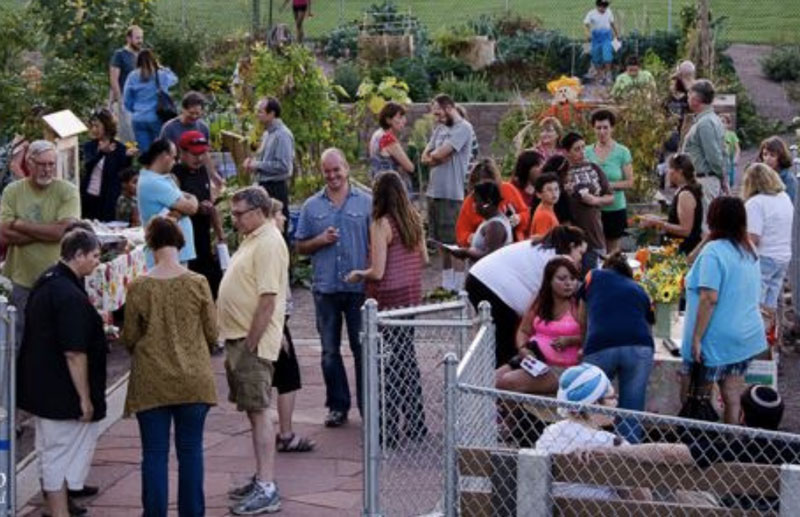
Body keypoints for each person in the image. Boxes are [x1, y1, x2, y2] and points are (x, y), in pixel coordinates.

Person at [121, 216, 217, 517]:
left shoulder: (139, 286)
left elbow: (130, 337)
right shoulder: (198, 283)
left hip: (151, 379)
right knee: (190, 451)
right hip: (194, 378)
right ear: (179, 242)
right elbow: (213, 334)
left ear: (151, 245)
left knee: (154, 454)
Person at [17, 228, 106, 517]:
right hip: (61, 391)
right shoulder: (68, 294)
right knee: (58, 454)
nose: (97, 262)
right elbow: (74, 353)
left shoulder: (47, 279)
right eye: (94, 256)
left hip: (42, 385)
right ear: (78, 255)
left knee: (48, 450)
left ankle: (57, 507)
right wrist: (85, 398)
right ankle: (58, 512)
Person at [218, 186, 288, 514]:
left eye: (239, 213)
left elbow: (268, 299)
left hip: (253, 342)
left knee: (259, 411)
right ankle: (262, 478)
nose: (234, 220)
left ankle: (268, 486)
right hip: (242, 338)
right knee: (252, 409)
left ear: (258, 211)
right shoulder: (254, 237)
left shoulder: (270, 242)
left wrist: (250, 344)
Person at [346, 170, 428, 446]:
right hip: (411, 297)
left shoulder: (381, 224)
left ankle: (388, 430)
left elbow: (378, 271)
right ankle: (416, 424)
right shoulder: (414, 220)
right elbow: (425, 258)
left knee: (388, 366)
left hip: (388, 300)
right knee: (407, 359)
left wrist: (359, 273)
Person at [295, 148, 371, 427]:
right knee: (329, 351)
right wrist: (320, 240)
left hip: (358, 289)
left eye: (336, 169)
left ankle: (368, 407)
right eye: (327, 171)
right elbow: (300, 246)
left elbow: (377, 245)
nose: (332, 175)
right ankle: (338, 406)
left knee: (362, 350)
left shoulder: (367, 203)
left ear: (347, 168)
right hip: (325, 288)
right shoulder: (311, 206)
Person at [682, 196, 767, 424]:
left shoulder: (714, 252)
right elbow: (692, 260)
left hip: (716, 336)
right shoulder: (748, 248)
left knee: (699, 395)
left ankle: (702, 446)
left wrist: (697, 338)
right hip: (745, 333)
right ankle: (730, 445)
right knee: (731, 395)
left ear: (713, 219)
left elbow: (709, 298)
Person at [466, 225, 588, 366]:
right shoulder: (554, 259)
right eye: (580, 253)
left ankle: (498, 372)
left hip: (482, 278)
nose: (580, 259)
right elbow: (541, 298)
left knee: (502, 334)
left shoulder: (543, 249)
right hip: (491, 284)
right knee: (505, 337)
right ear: (571, 246)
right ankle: (499, 376)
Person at [0, 140, 80, 350]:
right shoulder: (13, 191)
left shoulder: (67, 191)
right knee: (22, 340)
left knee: (58, 341)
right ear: (29, 163)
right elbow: (4, 235)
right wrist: (49, 230)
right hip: (22, 279)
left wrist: (19, 223)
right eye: (42, 164)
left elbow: (63, 232)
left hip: (58, 280)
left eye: (51, 164)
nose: (48, 170)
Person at [580, 252, 655, 442]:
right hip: (640, 346)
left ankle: (582, 443)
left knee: (587, 398)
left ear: (607, 266)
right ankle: (628, 458)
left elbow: (583, 316)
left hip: (601, 343)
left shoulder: (593, 276)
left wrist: (584, 344)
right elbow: (649, 325)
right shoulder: (640, 290)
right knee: (631, 408)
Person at [535, 364, 624, 500]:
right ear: (595, 404)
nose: (616, 402)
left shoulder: (549, 434)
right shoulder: (611, 442)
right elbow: (644, 501)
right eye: (612, 397)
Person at [268, 199, 315, 453]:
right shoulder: (272, 245)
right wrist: (277, 328)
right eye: (280, 214)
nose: (284, 219)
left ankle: (277, 430)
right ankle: (284, 434)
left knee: (279, 377)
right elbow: (269, 291)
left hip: (275, 319)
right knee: (287, 378)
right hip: (274, 321)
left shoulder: (268, 243)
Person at [496, 257, 581, 394]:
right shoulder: (540, 300)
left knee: (508, 381)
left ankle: (512, 414)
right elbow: (523, 331)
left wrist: (570, 340)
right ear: (549, 281)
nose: (568, 284)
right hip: (534, 361)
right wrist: (523, 349)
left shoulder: (579, 304)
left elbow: (592, 336)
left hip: (563, 368)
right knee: (492, 378)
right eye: (562, 279)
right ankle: (505, 413)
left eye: (573, 278)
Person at [422, 94, 474, 292]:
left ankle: (459, 287)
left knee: (454, 243)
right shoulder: (440, 129)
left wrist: (436, 155)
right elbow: (425, 156)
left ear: (449, 107)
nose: (437, 118)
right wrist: (435, 157)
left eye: (439, 113)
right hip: (434, 192)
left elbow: (441, 153)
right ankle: (446, 284)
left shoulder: (464, 128)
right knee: (441, 243)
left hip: (452, 194)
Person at [742, 163, 794, 333]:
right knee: (771, 305)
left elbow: (753, 237)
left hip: (764, 257)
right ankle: (769, 342)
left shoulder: (756, 203)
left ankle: (754, 342)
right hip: (783, 256)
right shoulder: (784, 198)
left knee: (755, 305)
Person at [173, 131, 225, 298]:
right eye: (194, 154)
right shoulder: (175, 174)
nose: (199, 158)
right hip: (185, 242)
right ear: (182, 152)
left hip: (204, 240)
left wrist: (220, 234)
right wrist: (195, 208)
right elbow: (172, 210)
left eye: (202, 153)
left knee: (214, 286)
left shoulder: (202, 170)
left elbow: (210, 201)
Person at [137, 139, 197, 268]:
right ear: (165, 156)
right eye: (174, 157)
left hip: (174, 251)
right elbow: (191, 208)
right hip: (168, 253)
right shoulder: (154, 182)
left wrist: (181, 207)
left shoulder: (159, 178)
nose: (175, 162)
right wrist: (193, 198)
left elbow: (184, 202)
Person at [562, 131, 614, 272]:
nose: (582, 152)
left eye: (583, 147)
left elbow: (610, 197)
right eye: (577, 149)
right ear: (566, 152)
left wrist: (595, 200)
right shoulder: (562, 173)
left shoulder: (594, 168)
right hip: (572, 238)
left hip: (594, 232)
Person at [244, 96, 294, 239]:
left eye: (260, 111)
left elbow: (284, 167)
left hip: (276, 188)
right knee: (265, 232)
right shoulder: (268, 134)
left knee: (277, 233)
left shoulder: (282, 135)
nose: (257, 115)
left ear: (271, 114)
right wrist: (254, 163)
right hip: (265, 187)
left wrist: (257, 165)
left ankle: (283, 261)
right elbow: (267, 162)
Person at [585, 109, 633, 253]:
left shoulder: (622, 152)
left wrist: (607, 185)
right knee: (594, 249)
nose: (602, 131)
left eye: (605, 127)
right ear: (593, 128)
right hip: (592, 209)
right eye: (598, 128)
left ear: (612, 128)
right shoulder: (586, 151)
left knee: (613, 251)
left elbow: (630, 182)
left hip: (615, 207)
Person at [455, 157, 529, 247]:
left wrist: (519, 218)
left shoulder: (508, 190)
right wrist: (469, 238)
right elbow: (461, 233)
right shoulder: (470, 201)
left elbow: (526, 214)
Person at [681, 79, 727, 221]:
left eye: (689, 96)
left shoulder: (706, 123)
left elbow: (714, 156)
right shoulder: (708, 119)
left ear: (696, 99)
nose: (687, 99)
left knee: (703, 226)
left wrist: (722, 179)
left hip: (704, 181)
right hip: (703, 180)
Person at [639, 154, 703, 255]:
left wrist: (658, 224)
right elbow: (676, 220)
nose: (668, 172)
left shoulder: (685, 195)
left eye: (670, 168)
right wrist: (656, 219)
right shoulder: (681, 190)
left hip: (684, 250)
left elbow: (685, 230)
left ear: (679, 171)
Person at [160, 91, 223, 190]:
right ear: (183, 109)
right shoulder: (169, 128)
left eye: (197, 113)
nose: (194, 116)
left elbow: (205, 153)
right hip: (176, 171)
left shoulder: (203, 127)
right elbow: (163, 155)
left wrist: (214, 174)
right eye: (191, 113)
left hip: (198, 170)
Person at [81, 107, 133, 221]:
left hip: (109, 199)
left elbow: (123, 173)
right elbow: (88, 166)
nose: (94, 129)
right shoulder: (89, 146)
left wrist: (128, 157)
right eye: (92, 126)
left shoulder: (120, 148)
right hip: (89, 195)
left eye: (97, 126)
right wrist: (101, 153)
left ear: (107, 126)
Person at [123, 49, 178, 153]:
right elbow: (174, 79)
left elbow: (126, 100)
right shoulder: (160, 74)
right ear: (153, 60)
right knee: (160, 152)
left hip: (138, 118)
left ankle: (147, 169)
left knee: (146, 154)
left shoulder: (132, 76)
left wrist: (134, 109)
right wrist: (162, 67)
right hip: (156, 117)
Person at [447, 182, 512, 262]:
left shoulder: (495, 226)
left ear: (488, 202)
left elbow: (489, 258)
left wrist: (466, 252)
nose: (473, 205)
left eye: (476, 201)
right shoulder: (490, 220)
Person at [368, 101, 415, 191]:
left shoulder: (377, 134)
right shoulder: (388, 139)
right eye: (400, 117)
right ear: (388, 120)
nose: (404, 121)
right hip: (391, 188)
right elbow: (409, 167)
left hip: (379, 184)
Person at [109, 25, 143, 143]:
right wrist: (120, 100)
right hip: (125, 101)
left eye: (141, 38)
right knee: (126, 136)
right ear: (128, 39)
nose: (140, 41)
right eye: (137, 38)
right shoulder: (120, 55)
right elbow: (114, 79)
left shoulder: (141, 55)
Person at [583, 0, 620, 85]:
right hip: (596, 37)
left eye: (605, 6)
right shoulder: (591, 14)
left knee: (607, 55)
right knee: (596, 57)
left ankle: (608, 75)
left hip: (606, 37)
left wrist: (616, 34)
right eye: (601, 6)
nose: (603, 8)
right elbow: (586, 24)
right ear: (597, 6)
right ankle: (600, 74)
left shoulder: (609, 12)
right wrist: (587, 34)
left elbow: (612, 23)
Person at [758, 136, 797, 202]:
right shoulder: (761, 176)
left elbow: (792, 204)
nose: (767, 159)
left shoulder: (788, 179)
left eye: (772, 155)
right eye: (765, 154)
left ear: (781, 157)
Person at [529, 173, 561, 238]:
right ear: (539, 194)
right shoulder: (544, 215)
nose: (554, 193)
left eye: (556, 189)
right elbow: (542, 243)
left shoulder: (547, 209)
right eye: (549, 190)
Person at [721, 114, 741, 188]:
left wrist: (736, 158)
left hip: (729, 159)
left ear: (728, 124)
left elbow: (737, 148)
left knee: (730, 180)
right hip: (720, 159)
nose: (721, 124)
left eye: (723, 122)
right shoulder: (716, 134)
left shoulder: (731, 134)